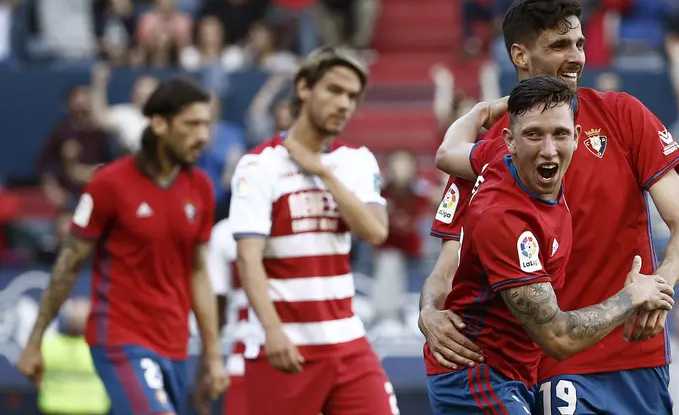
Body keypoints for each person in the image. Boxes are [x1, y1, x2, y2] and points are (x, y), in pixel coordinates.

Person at [419, 0, 679, 415]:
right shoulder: (495, 152)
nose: (575, 58)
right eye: (559, 46)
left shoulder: (623, 114)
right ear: (520, 55)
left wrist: (657, 289)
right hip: (555, 362)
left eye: (579, 44)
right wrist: (428, 313)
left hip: (636, 355)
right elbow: (449, 262)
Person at [17, 78, 230, 415]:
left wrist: (213, 358)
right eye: (192, 124)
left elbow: (199, 271)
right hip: (119, 335)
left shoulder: (201, 188)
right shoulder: (110, 183)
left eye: (206, 124)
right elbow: (69, 263)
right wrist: (34, 341)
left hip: (174, 341)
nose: (203, 136)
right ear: (159, 124)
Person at [229, 46, 401, 415]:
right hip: (284, 345)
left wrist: (323, 172)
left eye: (352, 97)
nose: (344, 104)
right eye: (334, 91)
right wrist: (272, 330)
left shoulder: (355, 161)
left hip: (348, 343)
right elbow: (248, 259)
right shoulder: (258, 166)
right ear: (304, 88)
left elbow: (375, 232)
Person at [204, 217, 263, 415]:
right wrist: (209, 364)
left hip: (301, 356)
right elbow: (216, 307)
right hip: (243, 358)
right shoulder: (224, 233)